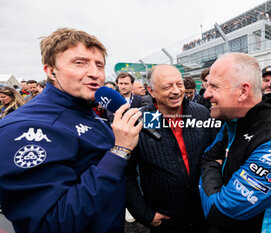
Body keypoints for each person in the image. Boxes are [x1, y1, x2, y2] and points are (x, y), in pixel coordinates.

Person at [0, 28, 142, 233]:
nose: (95, 73)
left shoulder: (84, 109)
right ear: (50, 71)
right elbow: (49, 225)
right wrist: (119, 151)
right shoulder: (22, 129)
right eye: (80, 63)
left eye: (99, 65)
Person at [199, 53, 271, 233]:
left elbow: (219, 212)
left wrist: (212, 167)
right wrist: (212, 165)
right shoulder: (235, 119)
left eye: (214, 86)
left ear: (243, 91)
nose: (206, 94)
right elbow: (208, 157)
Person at [125, 64, 217, 233]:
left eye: (179, 84)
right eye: (167, 87)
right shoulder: (140, 121)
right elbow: (127, 174)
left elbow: (214, 157)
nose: (176, 91)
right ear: (151, 91)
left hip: (202, 213)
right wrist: (145, 214)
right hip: (164, 220)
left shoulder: (202, 113)